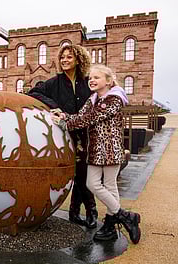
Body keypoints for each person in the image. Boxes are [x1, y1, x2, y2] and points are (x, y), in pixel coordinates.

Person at [52, 64, 141, 244]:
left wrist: (66, 125)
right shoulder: (93, 99)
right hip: (95, 150)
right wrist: (64, 117)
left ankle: (111, 224)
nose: (91, 80)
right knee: (93, 184)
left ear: (108, 81)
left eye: (96, 78)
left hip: (110, 149)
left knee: (107, 186)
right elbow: (79, 115)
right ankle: (124, 216)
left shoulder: (114, 100)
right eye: (90, 78)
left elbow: (90, 118)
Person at [28, 44, 98, 229]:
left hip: (85, 134)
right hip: (65, 133)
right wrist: (53, 106)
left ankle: (80, 211)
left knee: (82, 172)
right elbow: (34, 92)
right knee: (78, 172)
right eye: (62, 58)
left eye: (69, 57)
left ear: (78, 60)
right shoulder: (55, 82)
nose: (65, 60)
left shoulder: (86, 81)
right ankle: (87, 211)